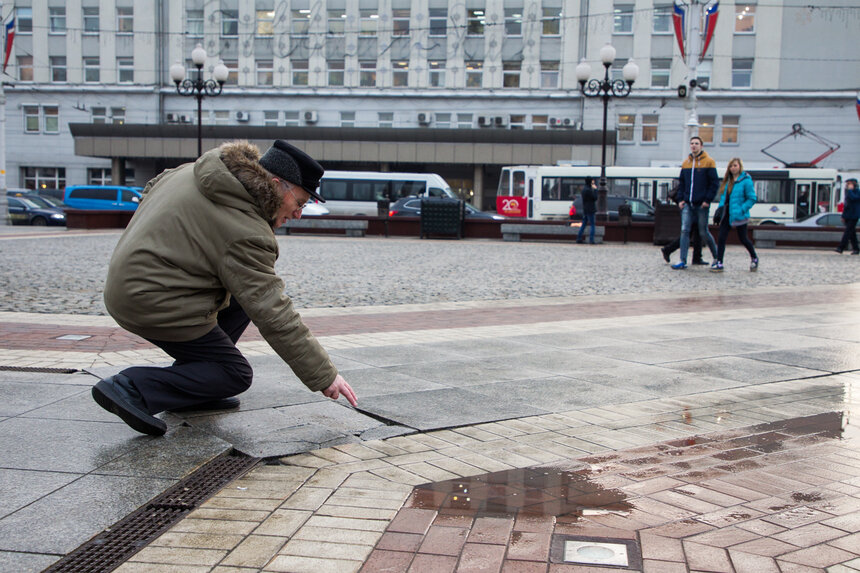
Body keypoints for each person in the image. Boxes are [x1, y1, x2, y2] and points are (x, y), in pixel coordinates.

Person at [92, 139, 357, 436]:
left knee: (241, 300)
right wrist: (324, 374)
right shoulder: (245, 228)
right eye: (299, 203)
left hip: (128, 284)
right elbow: (273, 310)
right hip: (151, 301)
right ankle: (131, 387)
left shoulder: (195, 171)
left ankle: (195, 386)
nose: (298, 214)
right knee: (235, 374)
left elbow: (152, 187)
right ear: (275, 184)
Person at [671, 136, 719, 269]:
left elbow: (714, 183)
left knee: (703, 232)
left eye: (696, 143)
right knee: (685, 230)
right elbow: (682, 183)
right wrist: (680, 199)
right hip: (688, 203)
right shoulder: (686, 162)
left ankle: (717, 257)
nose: (693, 146)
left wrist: (707, 200)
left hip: (701, 204)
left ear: (701, 146)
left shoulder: (708, 161)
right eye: (692, 143)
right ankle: (682, 260)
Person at [710, 158, 759, 272]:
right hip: (727, 213)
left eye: (735, 165)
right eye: (731, 166)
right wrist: (720, 209)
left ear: (740, 166)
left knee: (743, 239)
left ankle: (754, 257)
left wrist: (742, 209)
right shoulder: (728, 180)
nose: (733, 168)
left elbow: (752, 198)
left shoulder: (746, 180)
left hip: (739, 214)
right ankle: (719, 261)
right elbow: (724, 197)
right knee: (721, 238)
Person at [835, 178, 859, 254]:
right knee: (852, 233)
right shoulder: (848, 192)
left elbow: (854, 198)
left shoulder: (857, 192)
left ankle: (841, 247)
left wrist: (850, 190)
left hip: (854, 215)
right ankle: (856, 249)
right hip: (848, 215)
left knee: (848, 231)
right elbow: (846, 205)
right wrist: (843, 216)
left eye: (849, 184)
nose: (847, 186)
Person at [576, 177, 597, 244]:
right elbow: (594, 198)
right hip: (590, 209)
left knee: (584, 224)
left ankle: (579, 238)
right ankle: (591, 240)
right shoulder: (589, 190)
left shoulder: (584, 189)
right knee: (592, 225)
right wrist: (595, 190)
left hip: (585, 209)